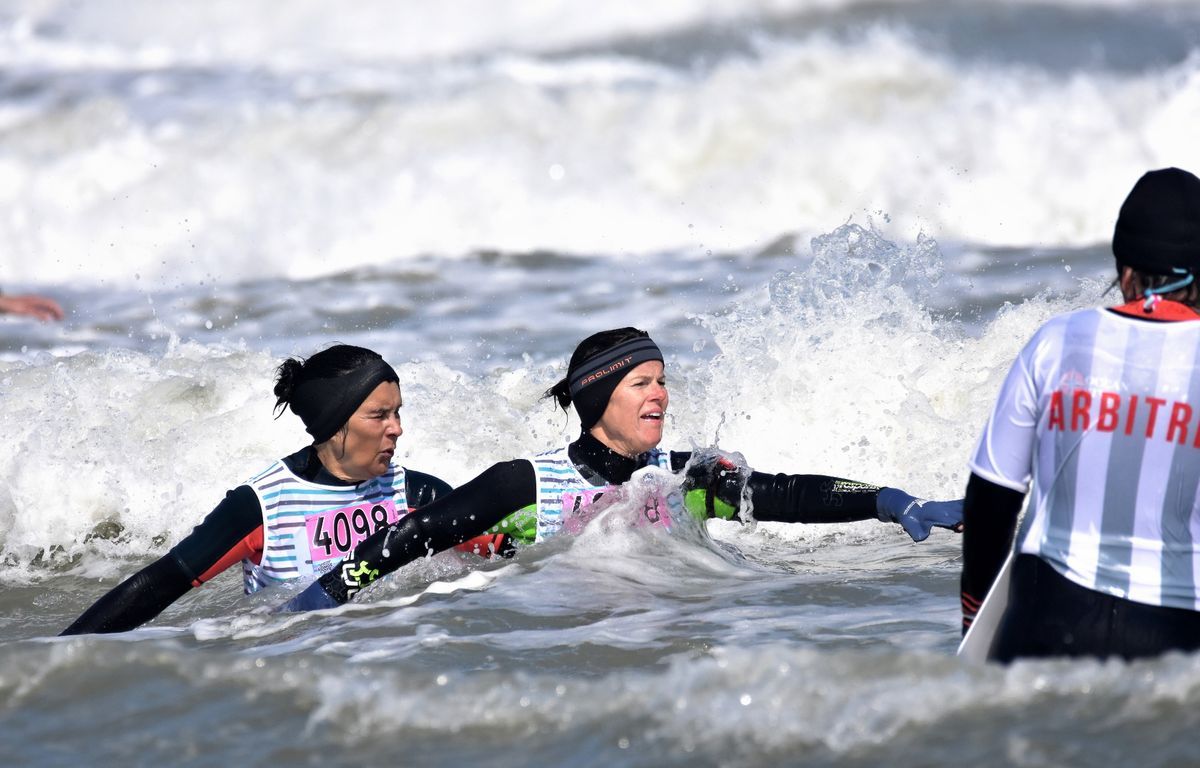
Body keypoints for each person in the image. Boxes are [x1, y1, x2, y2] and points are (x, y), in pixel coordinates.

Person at [281, 328, 964, 612]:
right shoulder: (527, 482)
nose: (660, 393)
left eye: (663, 379)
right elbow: (411, 538)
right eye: (642, 381)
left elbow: (783, 495)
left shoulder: (680, 478)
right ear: (598, 395)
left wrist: (887, 499)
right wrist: (320, 601)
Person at [961, 167, 1200, 662]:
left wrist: (973, 621)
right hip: (1174, 632)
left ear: (1124, 270)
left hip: (1046, 615)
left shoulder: (1057, 341)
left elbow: (991, 500)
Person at [61, 344, 455, 634]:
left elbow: (498, 554)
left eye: (398, 412)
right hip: (294, 670)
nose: (396, 428)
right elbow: (159, 585)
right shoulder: (264, 505)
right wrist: (59, 655)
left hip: (399, 650)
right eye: (379, 415)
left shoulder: (414, 494)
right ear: (334, 423)